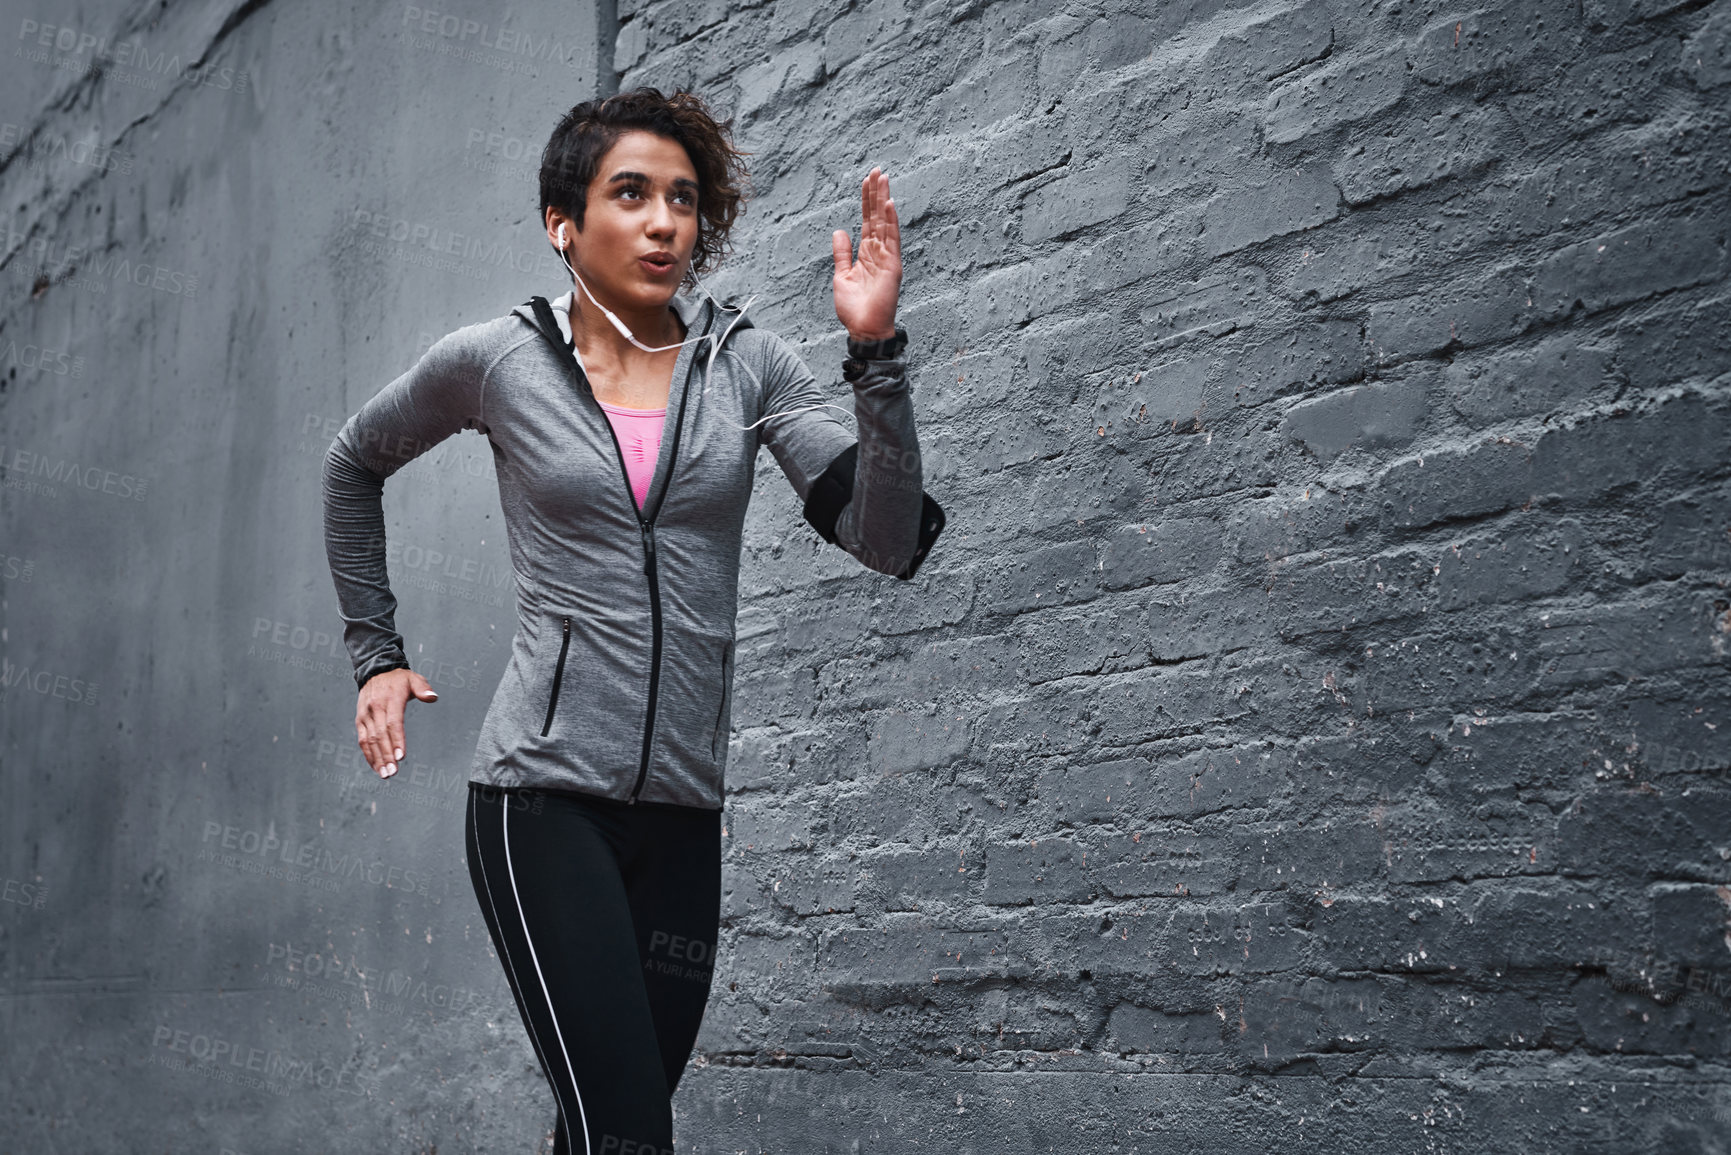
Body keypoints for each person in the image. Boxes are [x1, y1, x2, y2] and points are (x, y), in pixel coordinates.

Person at [321, 86, 945, 1154]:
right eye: (631, 194)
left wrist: (875, 356)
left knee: (605, 1129)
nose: (664, 222)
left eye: (684, 200)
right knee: (629, 1137)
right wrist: (376, 653)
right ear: (564, 223)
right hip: (542, 802)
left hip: (682, 817)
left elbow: (886, 540)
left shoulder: (747, 364)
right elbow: (353, 464)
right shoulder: (496, 361)